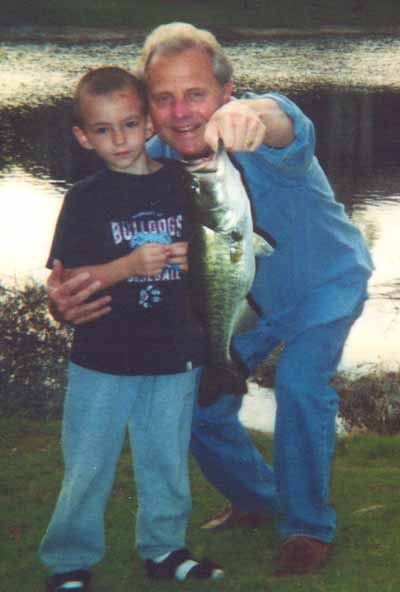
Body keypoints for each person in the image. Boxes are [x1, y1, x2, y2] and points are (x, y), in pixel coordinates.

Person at [47, 24, 373, 577]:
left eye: (196, 94)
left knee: (299, 385)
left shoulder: (258, 127)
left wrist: (256, 117)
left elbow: (282, 123)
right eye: (164, 98)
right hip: (237, 299)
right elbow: (98, 234)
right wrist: (68, 295)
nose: (180, 112)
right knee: (199, 402)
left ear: (227, 92)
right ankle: (259, 498)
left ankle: (306, 525)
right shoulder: (143, 157)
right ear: (147, 107)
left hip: (324, 285)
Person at [39, 66, 225, 592]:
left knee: (165, 460)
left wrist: (198, 258)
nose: (118, 139)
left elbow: (218, 245)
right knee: (87, 464)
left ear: (149, 125)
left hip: (176, 354)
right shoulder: (84, 198)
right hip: (102, 357)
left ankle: (164, 550)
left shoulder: (184, 183)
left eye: (128, 124)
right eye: (102, 129)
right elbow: (68, 280)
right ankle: (69, 561)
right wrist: (126, 266)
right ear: (83, 137)